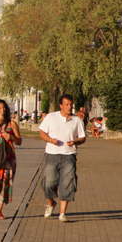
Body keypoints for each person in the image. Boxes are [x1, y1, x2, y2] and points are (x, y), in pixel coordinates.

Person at [38, 94, 86, 222]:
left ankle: (62, 213)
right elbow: (42, 133)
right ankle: (50, 203)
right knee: (49, 183)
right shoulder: (51, 117)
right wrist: (50, 140)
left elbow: (83, 137)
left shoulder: (77, 120)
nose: (69, 107)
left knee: (67, 183)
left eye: (71, 104)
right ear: (61, 105)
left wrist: (75, 141)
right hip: (52, 154)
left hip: (69, 155)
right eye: (66, 104)